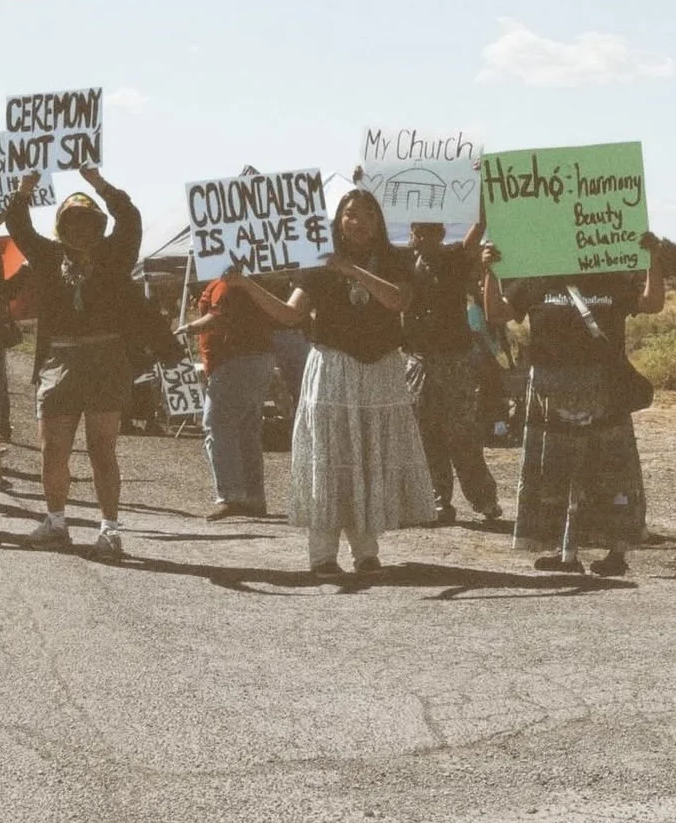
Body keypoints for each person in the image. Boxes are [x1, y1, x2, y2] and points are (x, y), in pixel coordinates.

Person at [224, 190, 436, 576]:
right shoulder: (318, 262)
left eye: (368, 214)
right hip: (333, 368)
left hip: (380, 369)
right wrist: (246, 285)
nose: (360, 222)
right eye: (351, 214)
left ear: (379, 221)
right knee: (330, 457)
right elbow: (290, 315)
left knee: (368, 457)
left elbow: (398, 301)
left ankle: (366, 552)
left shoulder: (394, 259)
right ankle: (322, 555)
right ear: (338, 220)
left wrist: (352, 270)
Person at [485, 233, 665, 577]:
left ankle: (616, 553)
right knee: (558, 473)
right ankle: (565, 552)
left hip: (603, 387)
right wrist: (490, 272)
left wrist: (654, 259)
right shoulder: (536, 276)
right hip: (552, 389)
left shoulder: (609, 273)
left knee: (609, 472)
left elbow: (651, 303)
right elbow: (497, 312)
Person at [6, 167, 142, 560]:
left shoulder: (115, 255)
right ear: (61, 226)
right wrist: (25, 188)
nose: (79, 229)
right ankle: (56, 522)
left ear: (98, 225)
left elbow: (129, 218)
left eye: (87, 221)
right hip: (59, 359)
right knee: (53, 449)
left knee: (102, 449)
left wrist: (97, 182)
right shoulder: (48, 257)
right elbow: (19, 227)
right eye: (71, 221)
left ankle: (110, 530)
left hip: (105, 359)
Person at [401, 221, 501, 525]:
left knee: (462, 435)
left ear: (440, 234)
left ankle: (484, 499)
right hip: (417, 361)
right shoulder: (404, 263)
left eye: (427, 232)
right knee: (425, 433)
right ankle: (438, 500)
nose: (420, 238)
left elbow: (481, 225)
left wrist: (486, 180)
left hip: (454, 360)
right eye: (416, 232)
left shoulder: (455, 258)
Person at [178, 266, 277, 519]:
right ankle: (254, 498)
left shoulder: (225, 283)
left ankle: (231, 496)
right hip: (256, 359)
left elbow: (219, 317)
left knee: (217, 426)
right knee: (246, 431)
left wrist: (189, 328)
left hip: (235, 361)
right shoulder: (240, 281)